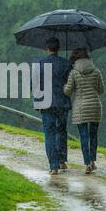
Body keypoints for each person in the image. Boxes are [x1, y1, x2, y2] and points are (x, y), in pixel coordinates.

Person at [33, 37, 72, 175]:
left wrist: (36, 102)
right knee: (61, 131)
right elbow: (70, 84)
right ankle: (62, 161)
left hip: (45, 103)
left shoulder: (39, 63)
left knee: (49, 134)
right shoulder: (66, 64)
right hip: (62, 103)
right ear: (58, 49)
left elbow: (36, 85)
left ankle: (53, 166)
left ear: (47, 48)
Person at [63, 48, 104, 174]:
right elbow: (101, 90)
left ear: (75, 59)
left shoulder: (74, 73)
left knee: (84, 136)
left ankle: (87, 164)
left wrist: (65, 85)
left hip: (80, 107)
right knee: (93, 135)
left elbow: (68, 91)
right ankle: (92, 161)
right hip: (95, 106)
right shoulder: (96, 71)